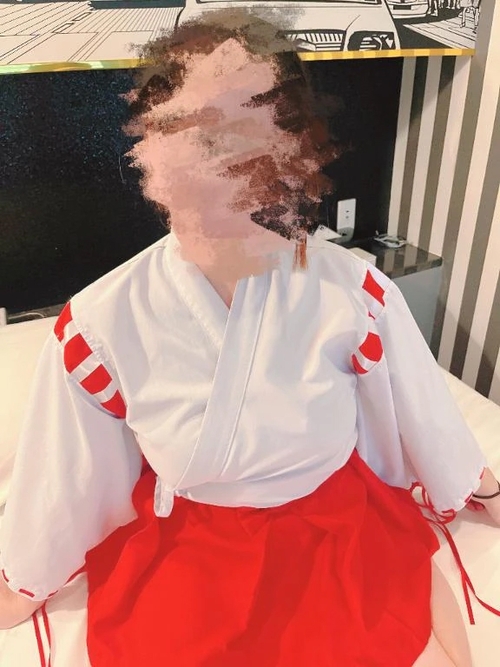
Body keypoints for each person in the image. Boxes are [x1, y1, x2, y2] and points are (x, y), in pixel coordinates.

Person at [0, 9, 499, 666]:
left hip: (332, 528)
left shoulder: (354, 291)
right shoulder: (101, 322)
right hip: (195, 543)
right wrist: (28, 575)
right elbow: (70, 468)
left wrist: (472, 480)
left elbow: (414, 403)